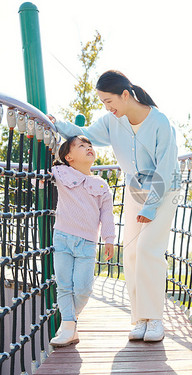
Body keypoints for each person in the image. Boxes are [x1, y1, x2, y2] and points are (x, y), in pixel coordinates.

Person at [49, 70, 181, 342]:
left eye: (109, 101)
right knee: (131, 253)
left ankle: (155, 319)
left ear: (125, 94)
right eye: (103, 103)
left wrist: (151, 207)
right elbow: (84, 133)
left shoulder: (159, 122)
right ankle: (140, 319)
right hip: (135, 191)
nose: (107, 108)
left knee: (148, 250)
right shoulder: (112, 122)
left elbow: (166, 169)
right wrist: (57, 124)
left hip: (164, 191)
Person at [49, 135, 116, 347]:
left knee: (83, 288)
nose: (88, 148)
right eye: (81, 145)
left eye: (90, 145)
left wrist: (109, 239)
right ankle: (68, 326)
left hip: (87, 243)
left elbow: (107, 214)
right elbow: (37, 178)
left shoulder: (101, 185)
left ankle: (70, 320)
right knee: (64, 286)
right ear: (69, 157)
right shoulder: (61, 173)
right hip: (62, 238)